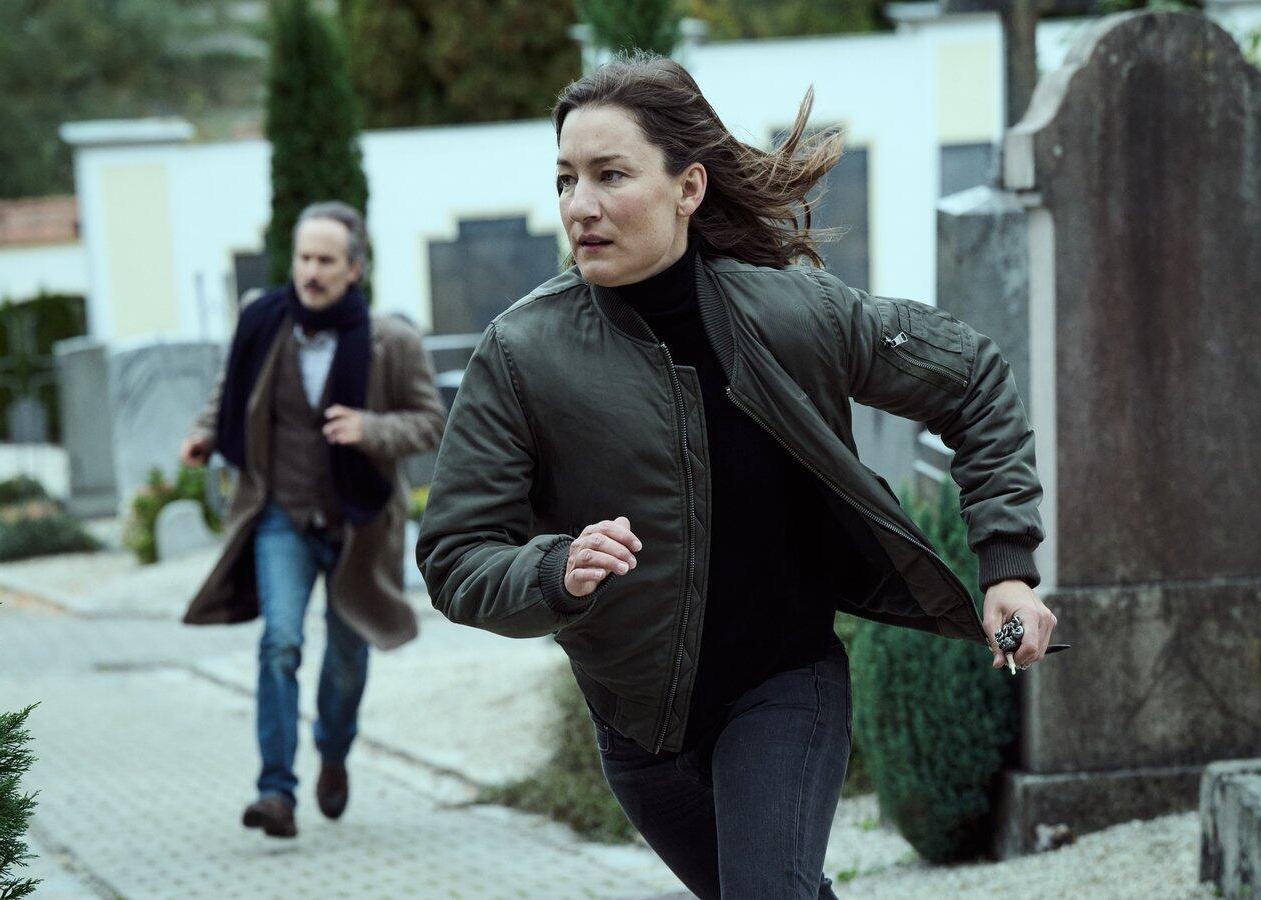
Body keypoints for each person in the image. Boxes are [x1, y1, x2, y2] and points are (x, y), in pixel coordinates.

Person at [417, 54, 1058, 898]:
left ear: (688, 188)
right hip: (641, 736)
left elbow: (970, 378)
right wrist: (552, 570)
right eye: (566, 179)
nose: (580, 205)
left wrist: (1007, 568)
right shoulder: (521, 354)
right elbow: (456, 554)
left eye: (611, 175)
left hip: (784, 684)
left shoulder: (793, 313)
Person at [180, 201, 445, 838]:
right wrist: (205, 434)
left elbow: (431, 422)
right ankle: (275, 791)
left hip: (360, 523)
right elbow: (230, 391)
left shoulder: (392, 340)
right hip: (282, 515)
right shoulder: (263, 321)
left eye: (326, 260)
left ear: (354, 269)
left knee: (348, 657)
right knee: (280, 643)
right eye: (304, 258)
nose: (312, 272)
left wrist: (370, 428)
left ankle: (332, 749)